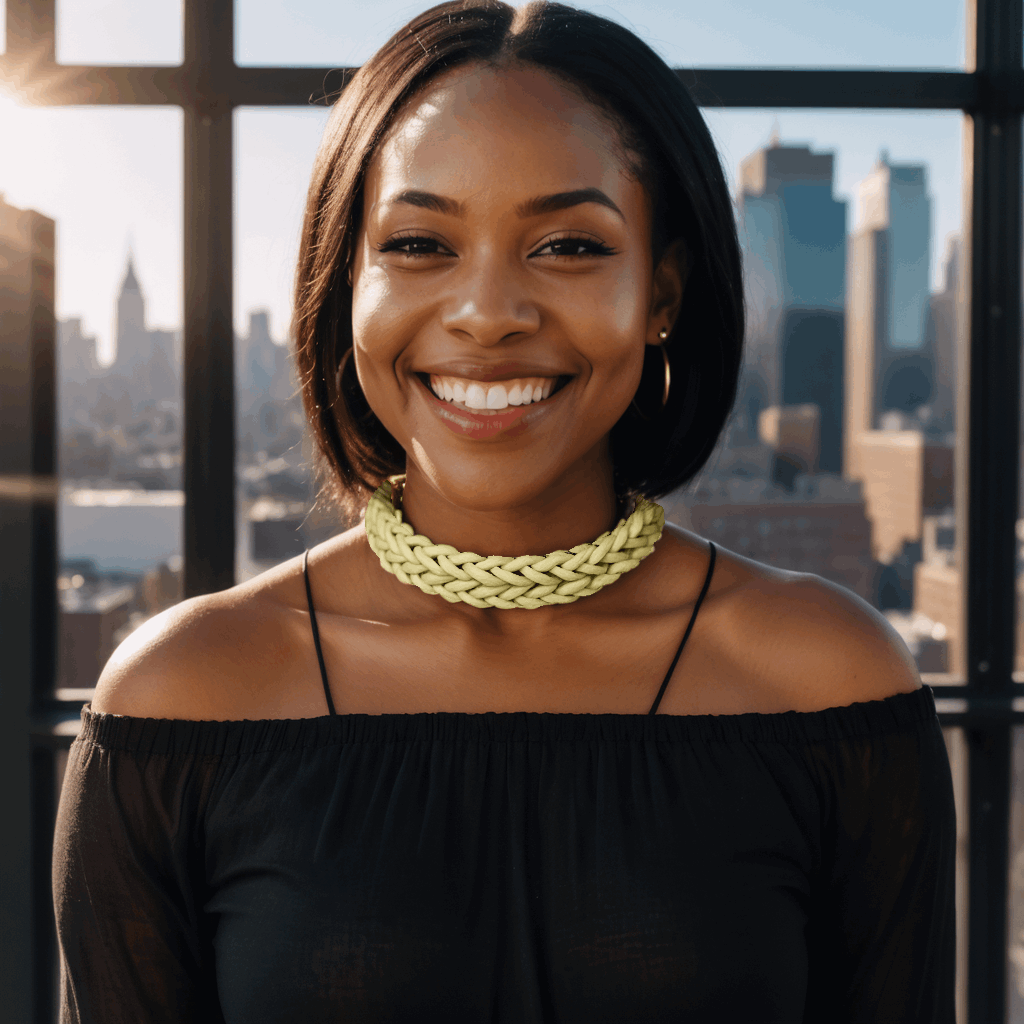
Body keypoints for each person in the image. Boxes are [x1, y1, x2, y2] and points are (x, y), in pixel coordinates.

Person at [53, 1, 956, 1021]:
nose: (486, 311)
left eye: (568, 246)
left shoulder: (826, 683)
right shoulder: (181, 701)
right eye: (418, 243)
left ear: (662, 293)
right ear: (344, 279)